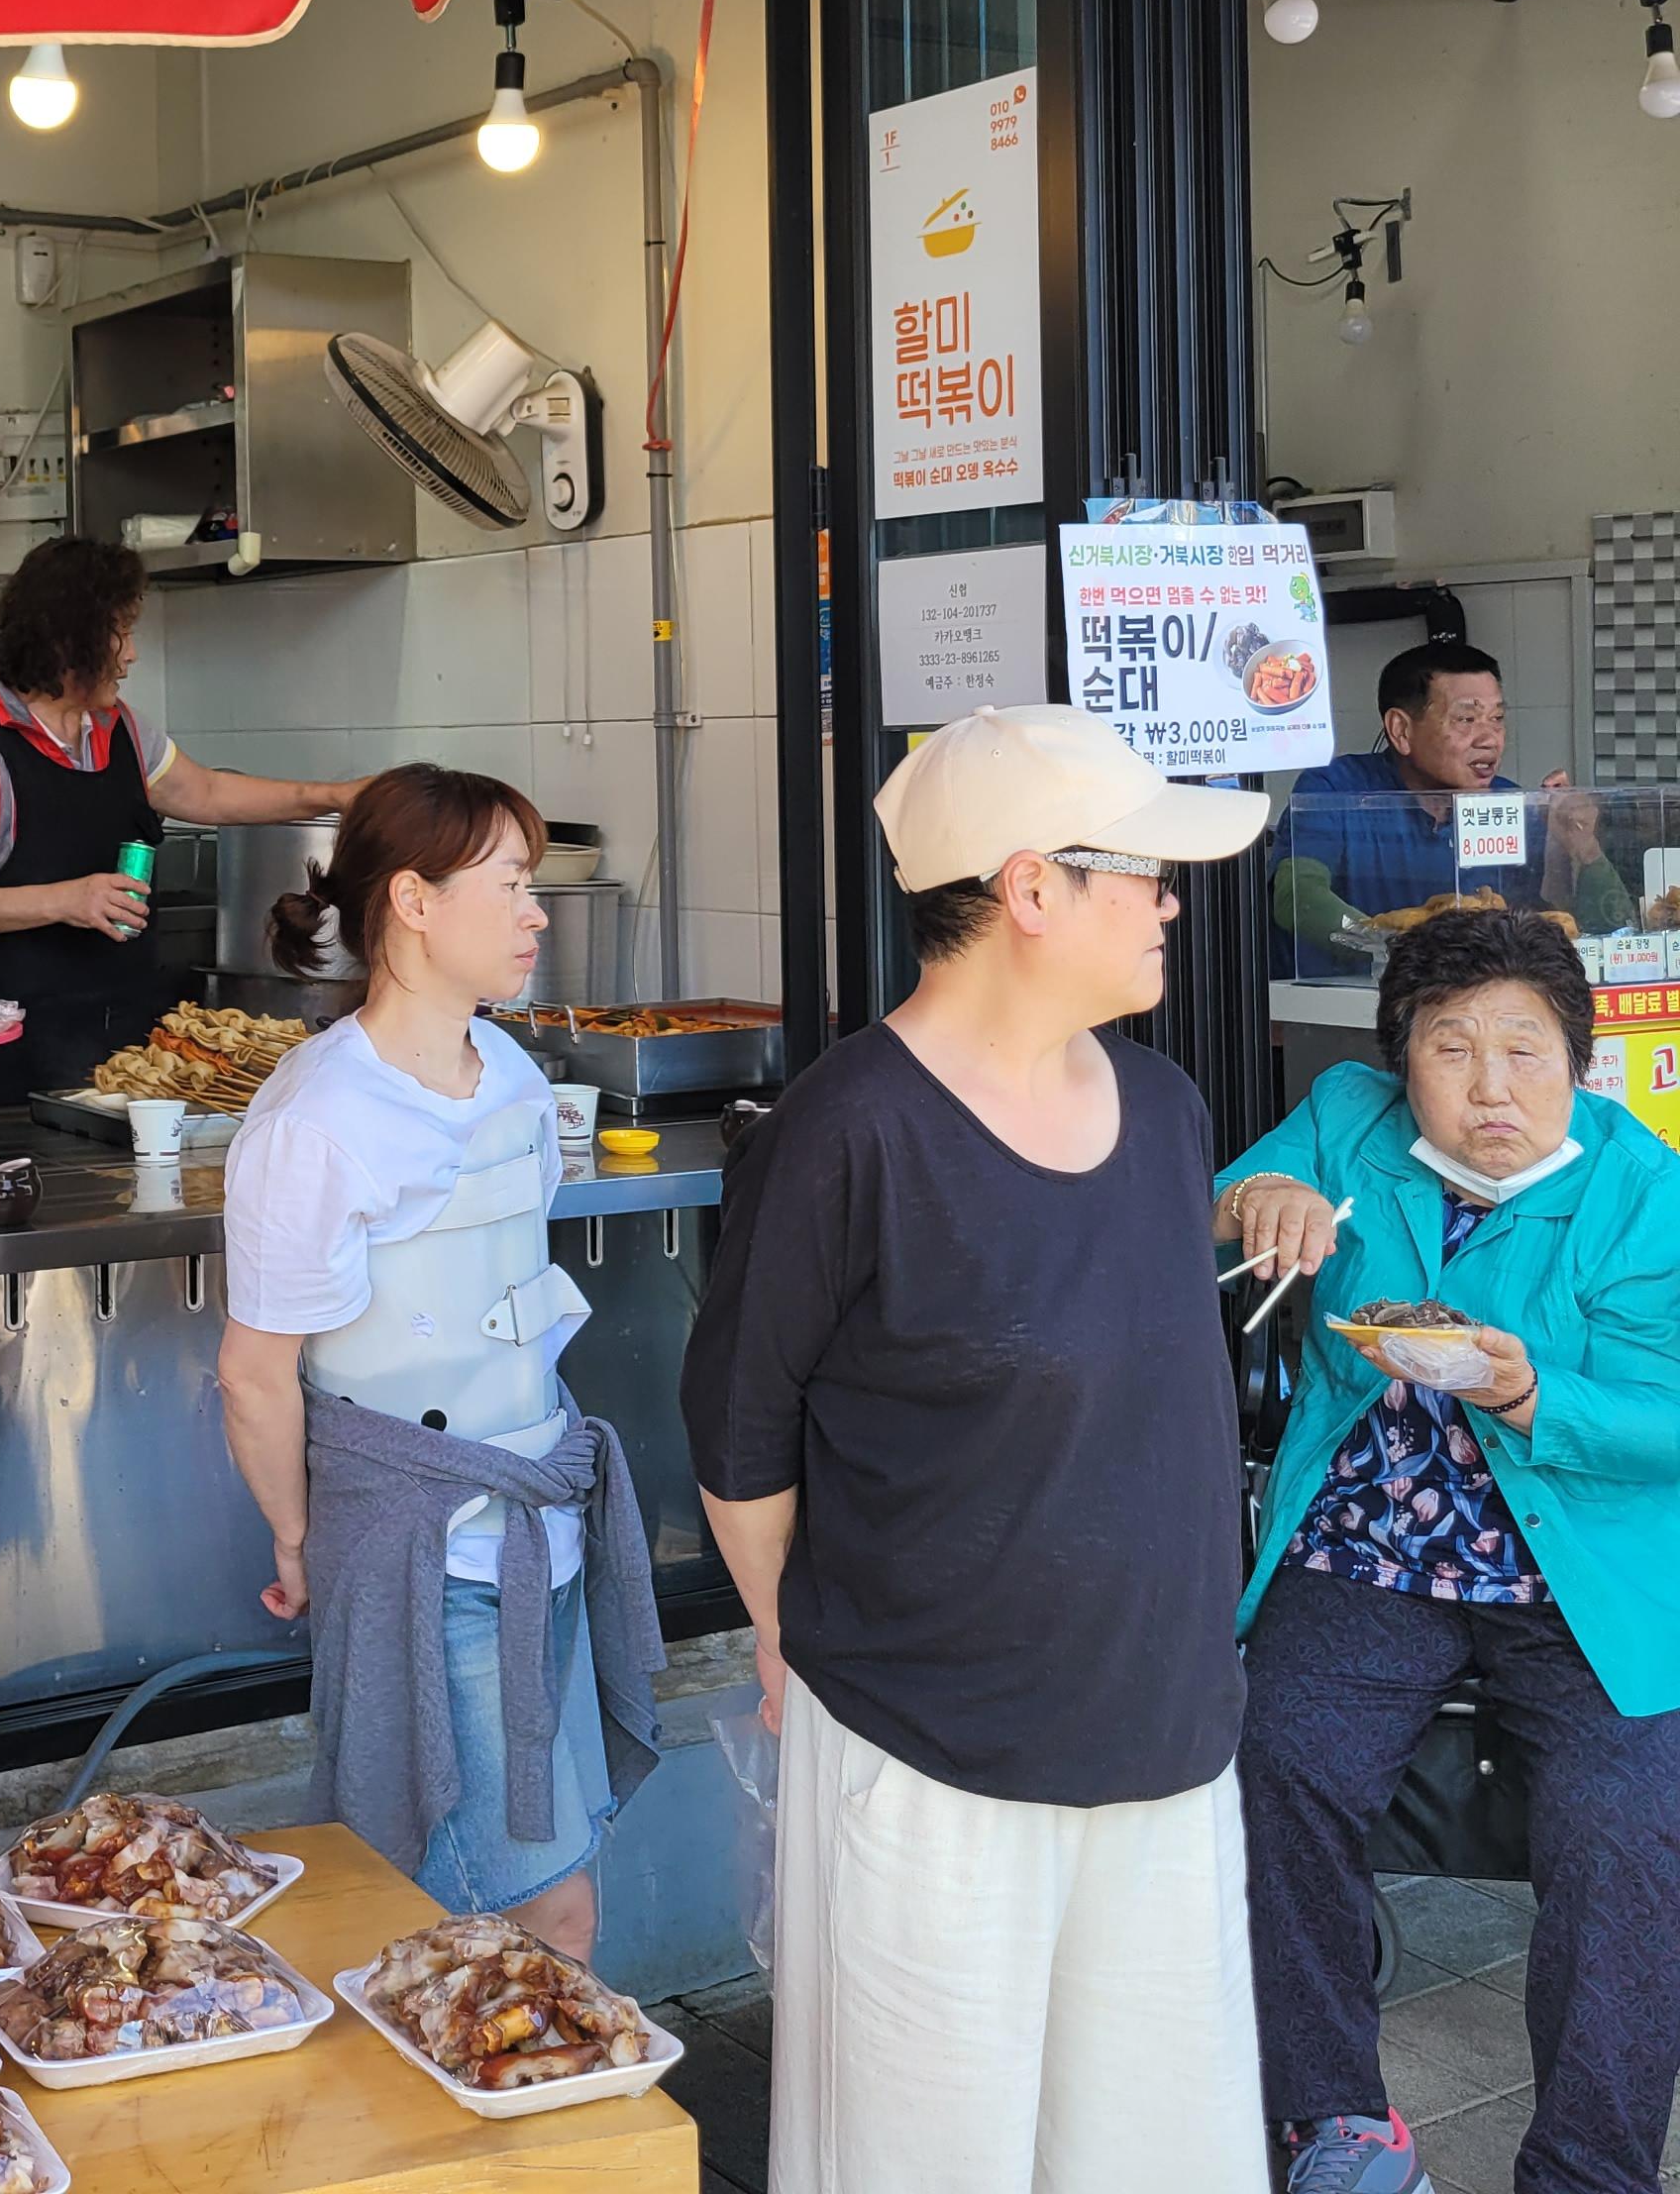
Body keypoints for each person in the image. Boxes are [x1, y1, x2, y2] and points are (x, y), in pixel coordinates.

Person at [680, 702, 1274, 2194]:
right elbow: (741, 1442)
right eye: (1145, 873)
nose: (1171, 904)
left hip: (1164, 1728)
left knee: (1156, 2149)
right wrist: (785, 1641)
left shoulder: (1164, 1106)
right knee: (925, 2150)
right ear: (1030, 890)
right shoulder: (847, 1130)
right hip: (926, 1745)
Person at [1221, 909, 1680, 2194]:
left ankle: (1590, 2168)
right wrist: (1260, 1197)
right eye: (1451, 1047)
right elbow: (1222, 1202)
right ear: (1400, 1060)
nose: (1490, 1088)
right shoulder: (1347, 1121)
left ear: (1578, 1061)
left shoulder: (1643, 1192)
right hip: (1370, 1545)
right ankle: (1332, 2122)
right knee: (1274, 1761)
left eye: (1525, 1051)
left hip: (1577, 1571)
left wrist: (1534, 1394)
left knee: (1628, 1827)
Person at [215, 764, 662, 1956]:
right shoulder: (317, 1119)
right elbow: (255, 1374)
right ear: (413, 901)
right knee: (522, 1915)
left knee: (544, 1905)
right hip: (428, 1560)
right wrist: (303, 1541)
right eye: (510, 885)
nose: (537, 914)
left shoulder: (511, 1072)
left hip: (540, 1531)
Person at [0, 534, 362, 1099]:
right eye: (121, 631)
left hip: (119, 1060)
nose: (132, 654)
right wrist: (66, 900)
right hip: (2, 1071)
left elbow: (209, 792)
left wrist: (333, 795)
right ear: (68, 639)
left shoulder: (120, 730)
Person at [1274, 640, 1603, 976]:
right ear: (1401, 730)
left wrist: (1579, 847)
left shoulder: (1507, 805)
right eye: (1466, 718)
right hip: (1345, 1003)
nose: (1490, 739)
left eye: (1497, 718)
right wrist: (1388, 943)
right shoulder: (1335, 790)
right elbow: (1297, 897)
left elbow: (1563, 922)